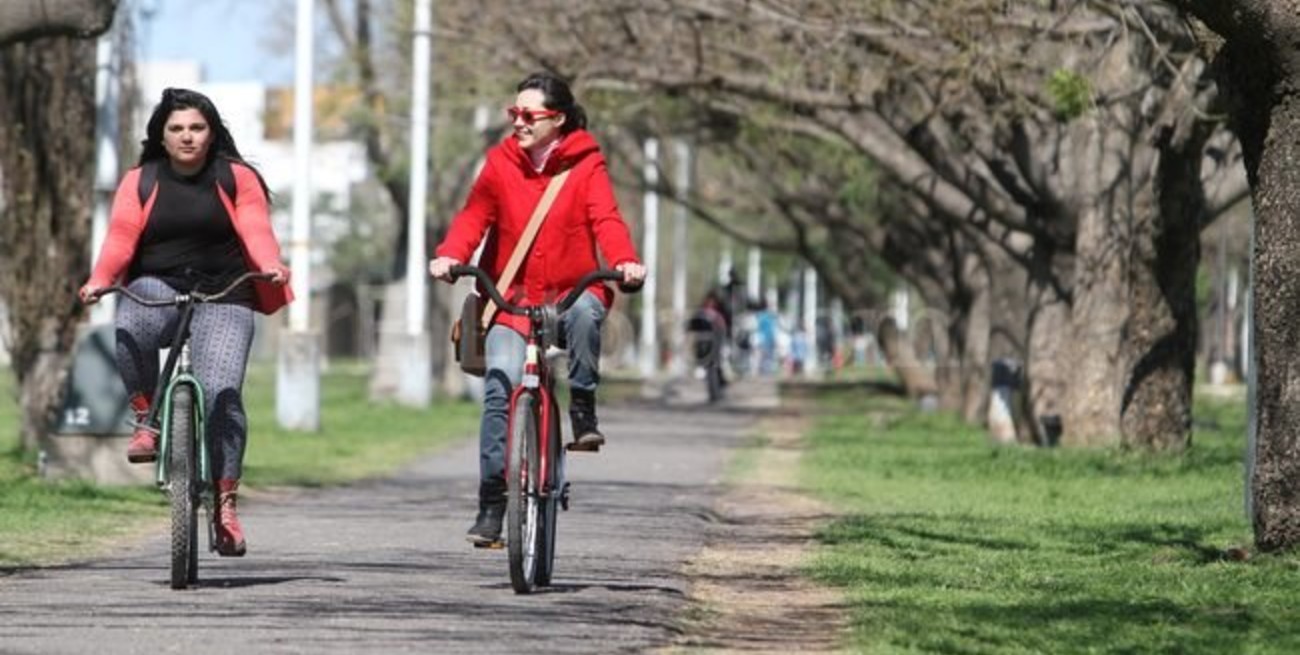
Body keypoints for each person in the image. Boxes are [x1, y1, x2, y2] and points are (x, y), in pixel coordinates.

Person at [429, 72, 647, 547]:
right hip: (511, 300)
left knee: (587, 315)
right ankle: (492, 502)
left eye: (529, 114)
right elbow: (473, 216)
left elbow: (606, 219)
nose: (519, 122)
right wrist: (450, 254)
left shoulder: (587, 165)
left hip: (571, 293)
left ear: (558, 119)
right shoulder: (500, 162)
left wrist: (625, 261)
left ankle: (583, 408)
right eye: (515, 113)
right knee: (500, 387)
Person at [79, 88, 292, 557]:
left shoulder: (236, 177)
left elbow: (256, 229)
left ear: (211, 133)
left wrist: (270, 264)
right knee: (130, 326)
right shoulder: (141, 180)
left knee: (222, 394)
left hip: (225, 291)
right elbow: (120, 237)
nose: (187, 136)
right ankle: (146, 419)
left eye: (196, 127)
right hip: (158, 284)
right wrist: (99, 279)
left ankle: (225, 505)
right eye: (176, 129)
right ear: (162, 136)